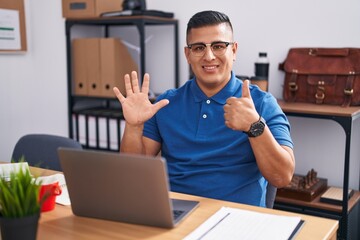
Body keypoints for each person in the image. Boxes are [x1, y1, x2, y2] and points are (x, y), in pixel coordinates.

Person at [113, 10, 295, 207]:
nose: (209, 56)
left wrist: (254, 126)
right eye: (199, 48)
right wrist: (133, 126)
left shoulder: (262, 103)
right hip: (175, 216)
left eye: (218, 46)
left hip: (238, 220)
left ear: (233, 51)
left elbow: (282, 177)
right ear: (188, 54)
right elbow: (133, 172)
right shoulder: (165, 104)